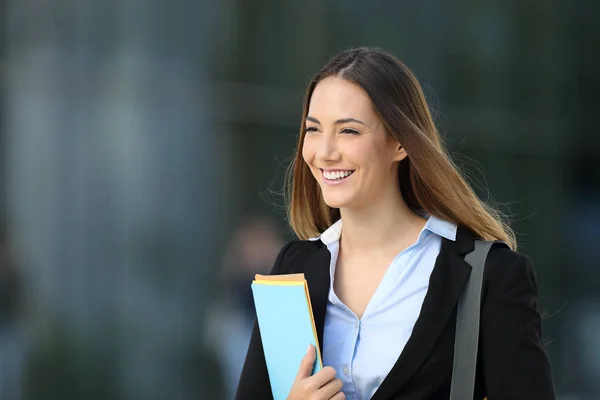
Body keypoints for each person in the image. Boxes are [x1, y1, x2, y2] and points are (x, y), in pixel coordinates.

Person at [236, 47, 556, 400]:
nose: (324, 152)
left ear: (400, 143)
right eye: (313, 130)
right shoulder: (293, 267)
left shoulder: (489, 276)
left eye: (349, 132)